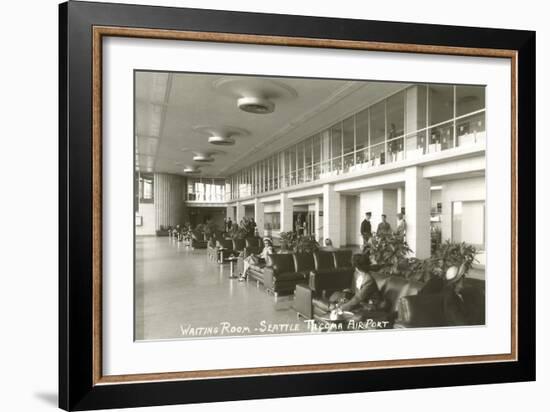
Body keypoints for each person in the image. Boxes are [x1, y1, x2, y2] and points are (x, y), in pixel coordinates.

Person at [328, 253, 384, 320]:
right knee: (337, 297)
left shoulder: (369, 280)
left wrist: (341, 307)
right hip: (361, 301)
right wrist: (346, 296)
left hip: (370, 305)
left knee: (340, 311)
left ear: (356, 266)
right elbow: (355, 291)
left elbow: (358, 298)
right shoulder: (357, 274)